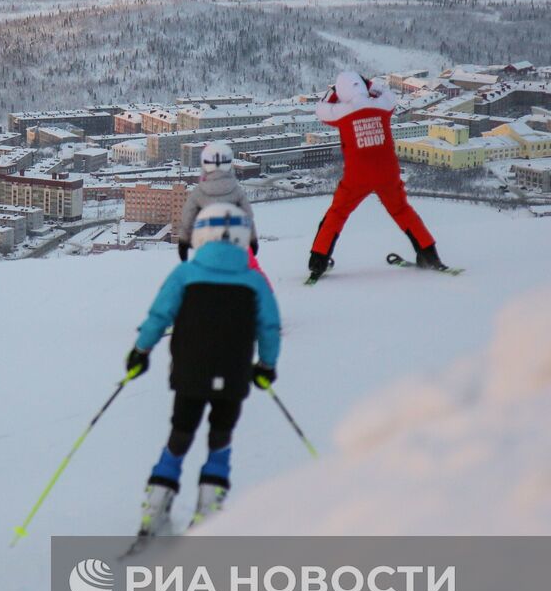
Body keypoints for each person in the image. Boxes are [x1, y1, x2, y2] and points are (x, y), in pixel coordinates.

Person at [126, 203, 281, 533]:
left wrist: (141, 350)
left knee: (181, 432)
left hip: (189, 372)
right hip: (234, 373)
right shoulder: (254, 281)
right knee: (220, 437)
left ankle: (155, 505)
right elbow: (269, 326)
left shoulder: (186, 274)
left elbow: (159, 315)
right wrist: (266, 365)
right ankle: (209, 510)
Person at [308, 71, 445, 280]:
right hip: (387, 171)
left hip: (357, 175)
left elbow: (321, 109)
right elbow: (389, 95)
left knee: (337, 214)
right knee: (401, 210)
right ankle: (429, 254)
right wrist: (369, 85)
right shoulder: (382, 106)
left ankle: (318, 260)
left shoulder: (342, 111)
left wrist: (333, 93)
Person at [177, 141, 258, 262]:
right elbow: (248, 217)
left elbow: (187, 220)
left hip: (205, 246)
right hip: (233, 246)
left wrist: (183, 243)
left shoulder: (198, 193)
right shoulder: (237, 192)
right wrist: (252, 240)